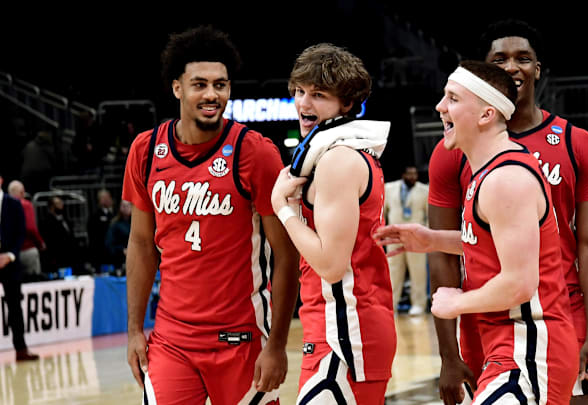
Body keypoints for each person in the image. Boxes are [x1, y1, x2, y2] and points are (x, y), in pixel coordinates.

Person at [426, 19, 588, 404]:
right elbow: (454, 252)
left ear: (538, 69)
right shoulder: (453, 153)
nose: (512, 67)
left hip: (554, 315)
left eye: (523, 58)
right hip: (487, 320)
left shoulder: (577, 143)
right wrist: (448, 354)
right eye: (500, 59)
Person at [375, 61, 578, 403]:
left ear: (486, 115)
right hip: (510, 347)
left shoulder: (505, 180)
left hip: (530, 349)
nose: (441, 107)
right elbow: (492, 244)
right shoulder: (488, 171)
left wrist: (457, 302)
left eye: (452, 99)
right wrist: (432, 240)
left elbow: (519, 282)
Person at [122, 25, 299, 404]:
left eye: (220, 85)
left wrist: (278, 345)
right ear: (177, 88)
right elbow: (140, 244)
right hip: (171, 339)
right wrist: (135, 329)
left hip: (241, 338)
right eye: (199, 84)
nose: (211, 94)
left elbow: (286, 256)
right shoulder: (145, 150)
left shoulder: (255, 153)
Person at [271, 43, 396, 404]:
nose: (303, 104)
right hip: (334, 326)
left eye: (319, 95)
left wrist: (282, 208)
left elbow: (330, 263)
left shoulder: (338, 160)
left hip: (346, 333)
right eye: (299, 91)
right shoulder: (337, 152)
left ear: (347, 104)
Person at [0, 173, 39, 361]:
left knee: (15, 307)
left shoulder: (14, 204)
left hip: (10, 262)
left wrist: (10, 255)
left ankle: (21, 349)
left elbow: (21, 231)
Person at [384, 165, 429, 315]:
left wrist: (427, 234)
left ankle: (418, 304)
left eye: (415, 174)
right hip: (394, 236)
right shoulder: (389, 188)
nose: (412, 177)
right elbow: (383, 212)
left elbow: (429, 216)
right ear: (403, 174)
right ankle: (392, 304)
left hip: (415, 236)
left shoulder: (424, 190)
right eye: (409, 174)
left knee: (418, 271)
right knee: (393, 271)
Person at [7, 180, 46, 279]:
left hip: (9, 254)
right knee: (33, 282)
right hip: (27, 250)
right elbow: (30, 228)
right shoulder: (25, 204)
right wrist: (40, 243)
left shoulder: (4, 206)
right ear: (22, 192)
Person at [39, 196, 79, 275]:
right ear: (51, 206)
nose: (61, 205)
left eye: (61, 203)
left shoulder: (66, 220)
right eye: (58, 203)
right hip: (56, 260)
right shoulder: (45, 222)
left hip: (69, 258)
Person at [87, 189, 115, 272]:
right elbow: (93, 237)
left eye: (108, 197)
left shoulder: (116, 213)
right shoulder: (95, 216)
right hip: (101, 253)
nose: (107, 199)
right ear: (99, 200)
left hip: (114, 252)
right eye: (104, 198)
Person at [105, 199, 132, 274]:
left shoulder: (138, 223)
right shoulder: (115, 224)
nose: (125, 208)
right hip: (120, 261)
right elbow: (109, 244)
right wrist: (122, 250)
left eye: (128, 205)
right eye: (123, 205)